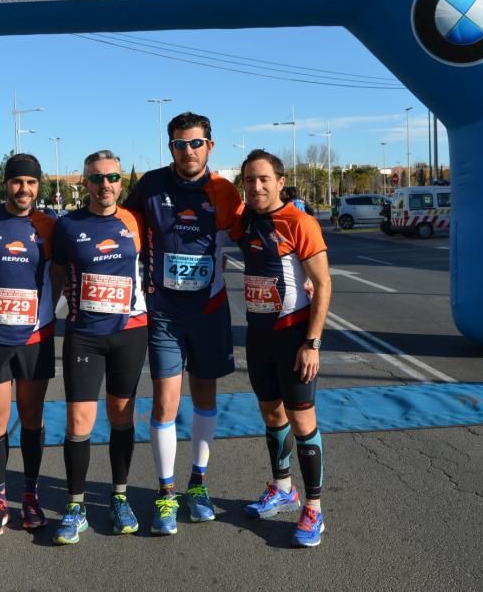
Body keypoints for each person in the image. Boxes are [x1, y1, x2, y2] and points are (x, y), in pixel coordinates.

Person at [123, 111, 243, 534]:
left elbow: (255, 237)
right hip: (165, 315)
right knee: (164, 405)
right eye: (179, 143)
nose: (188, 150)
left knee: (205, 398)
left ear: (210, 146)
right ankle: (166, 494)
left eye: (195, 143)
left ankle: (198, 485)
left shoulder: (224, 191)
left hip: (209, 312)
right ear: (170, 147)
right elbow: (121, 232)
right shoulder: (151, 186)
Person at [50, 150, 148, 544]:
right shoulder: (68, 225)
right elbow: (56, 276)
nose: (104, 184)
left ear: (121, 182)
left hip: (130, 332)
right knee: (79, 422)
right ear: (84, 182)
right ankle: (75, 506)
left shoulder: (135, 221)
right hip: (84, 334)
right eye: (96, 178)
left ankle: (119, 497)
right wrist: (42, 323)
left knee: (122, 416)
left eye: (112, 177)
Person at [236, 150, 331, 548]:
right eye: (249, 180)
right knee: (272, 414)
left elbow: (323, 284)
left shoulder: (299, 221)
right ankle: (282, 488)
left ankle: (314, 508)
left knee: (302, 421)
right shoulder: (243, 219)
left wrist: (312, 343)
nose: (256, 186)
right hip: (258, 335)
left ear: (279, 181)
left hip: (294, 336)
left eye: (263, 179)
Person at [0, 154, 58, 536]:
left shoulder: (49, 225)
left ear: (39, 186)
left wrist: (49, 310)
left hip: (36, 338)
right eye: (18, 182)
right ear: (6, 184)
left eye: (31, 183)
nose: (24, 189)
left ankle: (30, 495)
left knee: (31, 419)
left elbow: (62, 274)